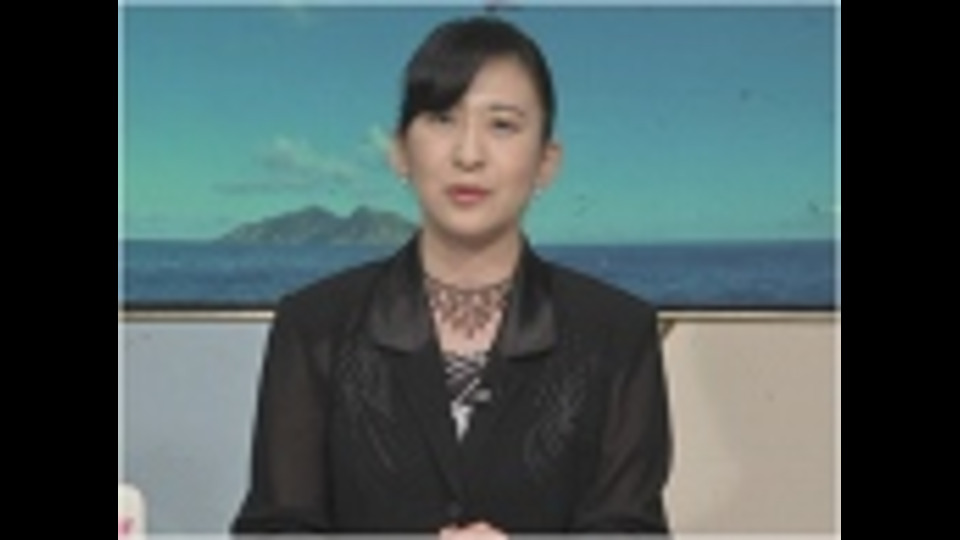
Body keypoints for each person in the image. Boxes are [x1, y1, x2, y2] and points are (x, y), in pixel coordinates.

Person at [231, 15, 672, 537]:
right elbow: (275, 527)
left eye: (502, 125)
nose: (468, 154)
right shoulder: (314, 326)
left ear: (547, 161)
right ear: (401, 150)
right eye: (442, 119)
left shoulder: (618, 333)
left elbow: (631, 529)